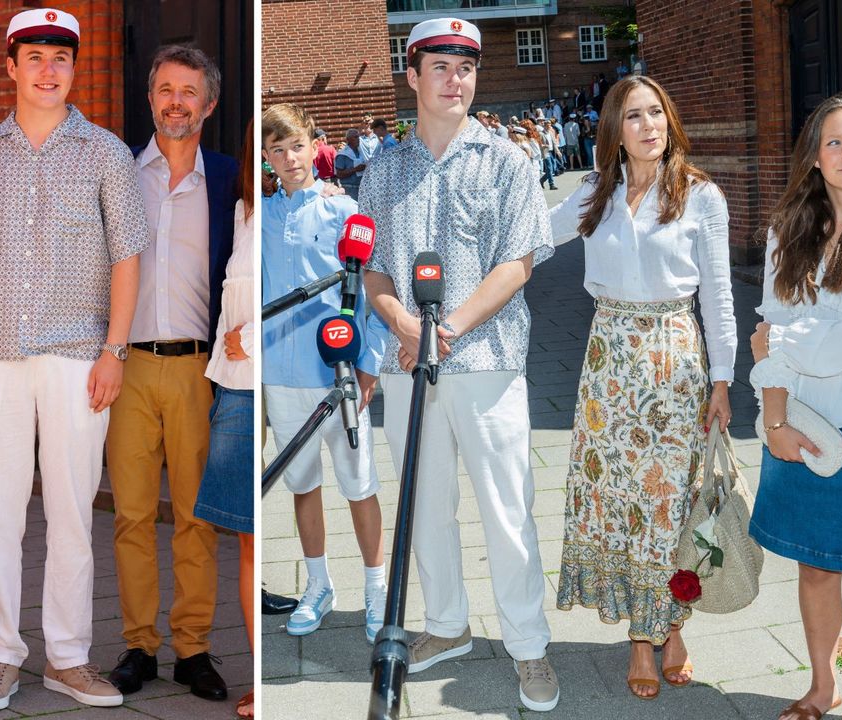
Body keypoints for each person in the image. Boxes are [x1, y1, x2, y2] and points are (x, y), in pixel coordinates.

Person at [360, 18, 559, 712]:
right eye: (440, 67)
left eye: (466, 68)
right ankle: (446, 626)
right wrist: (406, 325)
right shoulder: (382, 170)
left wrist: (449, 329)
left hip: (488, 363)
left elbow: (519, 261)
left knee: (507, 510)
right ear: (411, 76)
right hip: (405, 362)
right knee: (425, 509)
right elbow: (373, 273)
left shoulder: (507, 161)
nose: (455, 80)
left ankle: (529, 647)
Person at [0, 8, 146, 711]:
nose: (47, 70)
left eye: (60, 58)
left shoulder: (105, 153)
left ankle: (67, 658)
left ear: (74, 68)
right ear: (11, 67)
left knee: (71, 512)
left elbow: (128, 256)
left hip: (77, 356)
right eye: (33, 57)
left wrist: (114, 351)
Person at [548, 75, 736, 701]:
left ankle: (671, 626)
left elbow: (718, 294)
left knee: (671, 503)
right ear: (614, 130)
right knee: (619, 499)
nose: (650, 125)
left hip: (676, 360)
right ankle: (638, 636)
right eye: (634, 116)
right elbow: (530, 238)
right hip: (609, 363)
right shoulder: (594, 194)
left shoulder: (701, 195)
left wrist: (723, 379)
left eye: (658, 112)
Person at [107, 44, 235, 703]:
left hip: (196, 370)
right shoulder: (119, 173)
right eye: (164, 89)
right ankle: (138, 647)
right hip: (127, 369)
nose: (175, 101)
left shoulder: (229, 180)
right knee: (130, 514)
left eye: (189, 91)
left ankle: (193, 649)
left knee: (195, 515)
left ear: (208, 105)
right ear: (150, 98)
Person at [747, 91, 842, 720]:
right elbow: (771, 326)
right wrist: (774, 422)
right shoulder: (788, 227)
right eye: (835, 141)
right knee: (816, 568)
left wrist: (782, 342)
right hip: (798, 422)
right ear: (815, 155)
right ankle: (821, 688)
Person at [262, 102, 389, 643]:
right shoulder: (262, 214)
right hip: (280, 371)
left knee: (359, 485)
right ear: (266, 158)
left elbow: (371, 292)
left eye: (297, 146)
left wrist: (369, 365)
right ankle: (318, 584)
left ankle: (377, 587)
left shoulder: (344, 213)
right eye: (277, 149)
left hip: (335, 369)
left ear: (315, 147)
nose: (290, 158)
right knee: (302, 483)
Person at [192, 117, 257, 720]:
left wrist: (255, 335)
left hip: (278, 382)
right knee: (245, 533)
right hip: (233, 387)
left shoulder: (298, 212)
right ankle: (260, 676)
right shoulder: (240, 211)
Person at [335, 128, 368, 200]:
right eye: (355, 137)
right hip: (349, 189)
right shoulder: (343, 155)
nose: (358, 139)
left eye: (358, 137)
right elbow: (339, 174)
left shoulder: (362, 153)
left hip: (362, 189)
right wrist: (355, 169)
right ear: (348, 139)